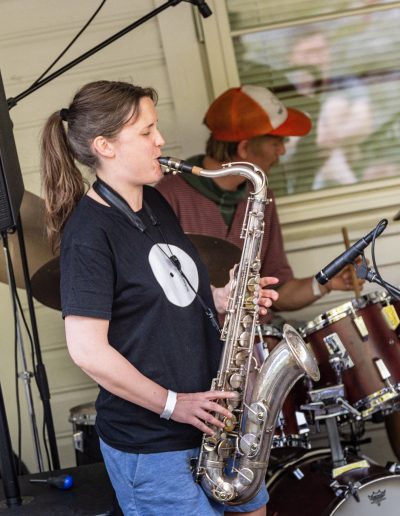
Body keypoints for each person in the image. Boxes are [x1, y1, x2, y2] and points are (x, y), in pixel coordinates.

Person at [40, 80, 278, 516]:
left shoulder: (153, 203)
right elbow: (87, 350)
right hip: (155, 448)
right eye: (147, 131)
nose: (161, 141)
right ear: (105, 147)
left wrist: (226, 299)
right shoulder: (89, 235)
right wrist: (175, 404)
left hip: (215, 424)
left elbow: (166, 290)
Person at [156, 85, 364, 319]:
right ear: (244, 148)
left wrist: (326, 283)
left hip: (259, 342)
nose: (283, 151)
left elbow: (279, 292)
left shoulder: (264, 197)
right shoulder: (167, 195)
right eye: (276, 142)